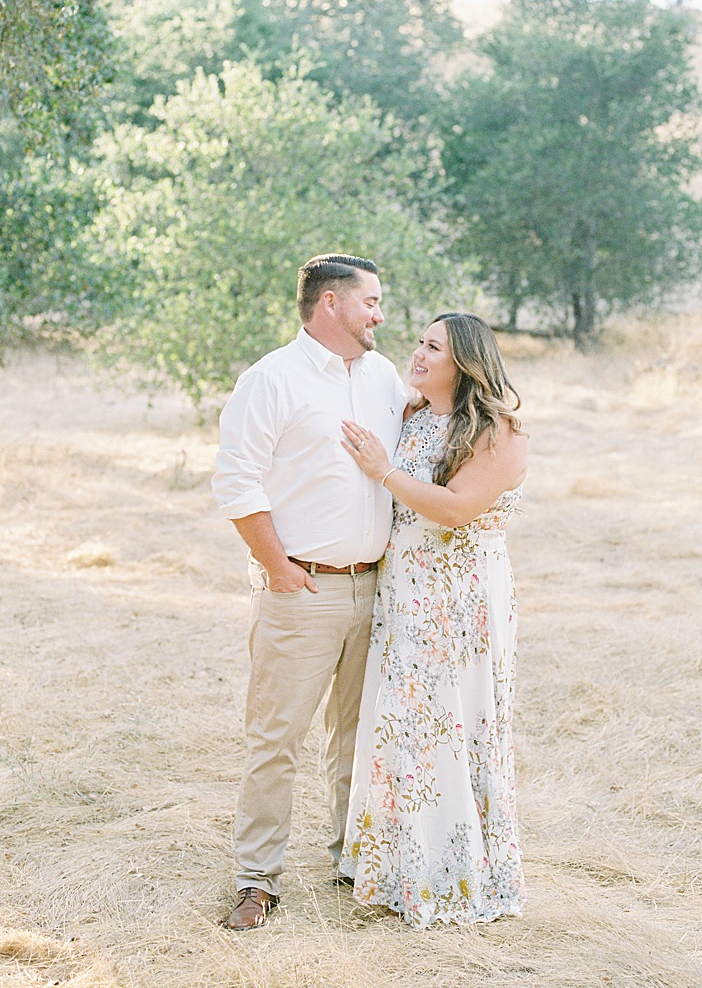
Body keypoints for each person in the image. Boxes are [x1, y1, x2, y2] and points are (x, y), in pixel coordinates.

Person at [212, 254, 412, 931]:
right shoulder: (273, 379)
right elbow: (238, 484)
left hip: (376, 589)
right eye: (372, 302)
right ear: (331, 303)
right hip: (302, 587)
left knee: (359, 737)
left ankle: (355, 863)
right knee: (276, 738)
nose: (381, 314)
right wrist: (277, 566)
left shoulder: (384, 378)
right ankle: (256, 880)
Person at [337, 310, 528, 926]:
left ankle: (452, 873)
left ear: (464, 363)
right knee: (404, 723)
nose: (417, 354)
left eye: (433, 347)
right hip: (406, 595)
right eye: (418, 342)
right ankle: (397, 864)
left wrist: (382, 471)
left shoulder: (497, 432)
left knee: (453, 722)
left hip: (461, 602)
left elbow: (453, 509)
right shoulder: (412, 418)